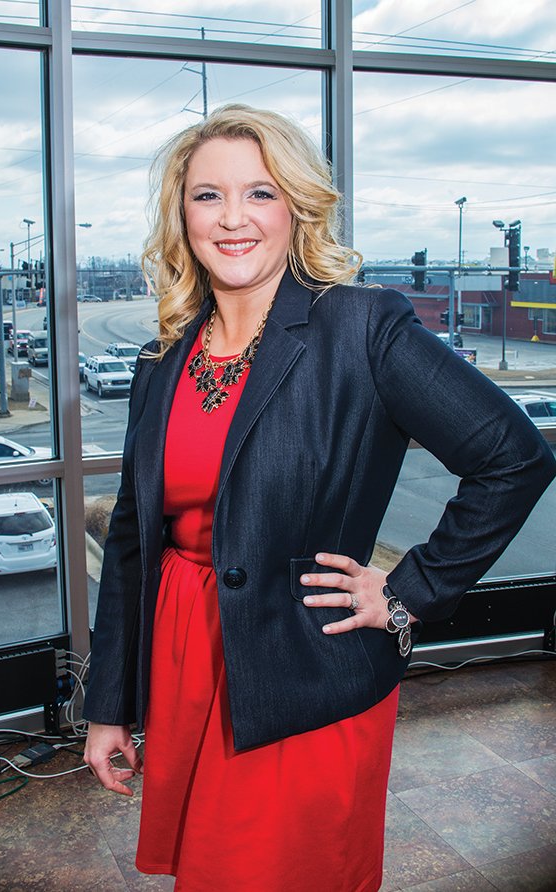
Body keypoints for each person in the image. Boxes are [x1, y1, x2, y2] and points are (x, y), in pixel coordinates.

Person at [83, 104, 556, 892]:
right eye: (208, 196)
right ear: (181, 215)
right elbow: (134, 537)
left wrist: (409, 590)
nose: (233, 219)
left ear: (298, 208)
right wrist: (108, 705)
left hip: (306, 668)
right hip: (186, 658)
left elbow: (514, 458)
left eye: (260, 193)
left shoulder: (363, 326)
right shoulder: (162, 355)